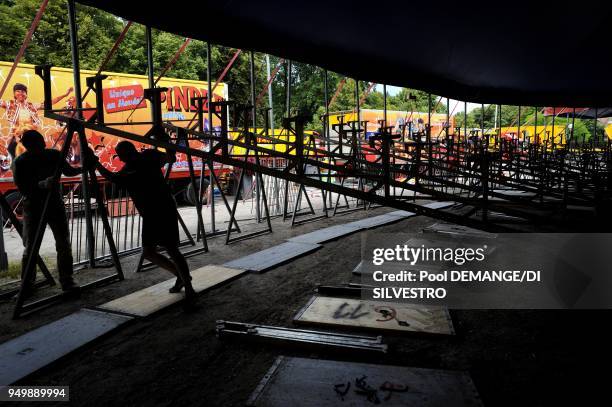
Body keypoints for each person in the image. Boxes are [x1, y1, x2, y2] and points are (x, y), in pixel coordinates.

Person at [94, 141, 197, 309]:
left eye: (121, 156)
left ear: (126, 154)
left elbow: (113, 178)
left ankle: (188, 286)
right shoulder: (149, 156)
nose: (120, 159)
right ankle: (182, 277)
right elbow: (171, 157)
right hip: (155, 212)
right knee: (152, 252)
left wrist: (96, 164)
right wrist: (167, 142)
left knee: (168, 249)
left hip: (160, 210)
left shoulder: (136, 165)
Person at [11, 130, 83, 295]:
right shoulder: (21, 162)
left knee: (63, 243)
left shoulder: (53, 155)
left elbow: (68, 171)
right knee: (31, 247)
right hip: (34, 206)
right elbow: (23, 188)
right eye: (36, 144)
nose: (41, 145)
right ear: (28, 146)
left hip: (54, 204)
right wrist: (42, 184)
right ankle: (27, 285)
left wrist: (83, 167)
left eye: (41, 142)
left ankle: (67, 280)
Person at [1, 83, 73, 155]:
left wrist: (65, 95)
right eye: (18, 91)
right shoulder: (9, 104)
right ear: (14, 94)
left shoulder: (31, 106)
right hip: (17, 136)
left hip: (31, 136)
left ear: (26, 94)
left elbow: (50, 103)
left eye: (23, 91)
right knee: (14, 154)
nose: (20, 93)